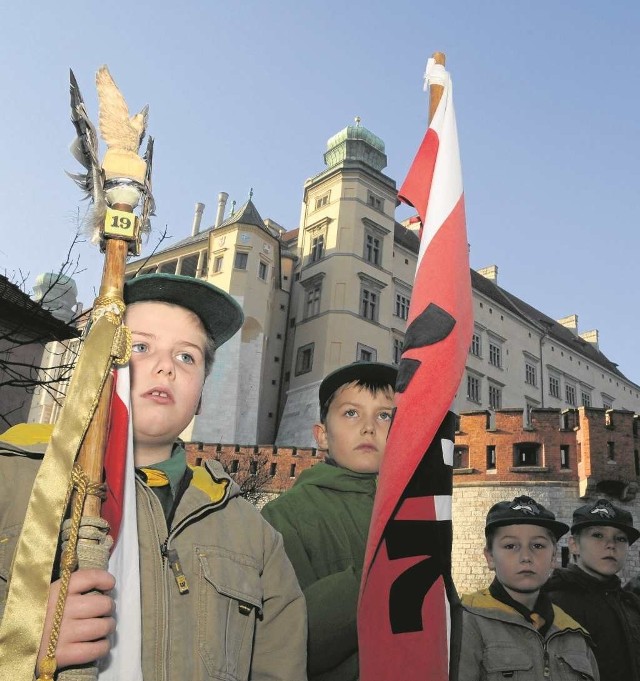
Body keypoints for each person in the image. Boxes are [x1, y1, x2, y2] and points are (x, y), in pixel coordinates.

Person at [0, 273, 307, 681]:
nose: (165, 366)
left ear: (200, 395)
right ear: (98, 366)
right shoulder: (11, 478)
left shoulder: (252, 535)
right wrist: (19, 645)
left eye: (187, 357)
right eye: (140, 347)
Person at [261, 361, 397, 681]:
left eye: (384, 415)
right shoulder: (283, 517)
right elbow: (291, 639)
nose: (369, 427)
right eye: (351, 413)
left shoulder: (415, 511)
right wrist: (385, 570)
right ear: (322, 436)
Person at [458, 495, 600, 681]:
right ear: (490, 557)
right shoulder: (464, 622)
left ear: (553, 558)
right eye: (510, 546)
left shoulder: (573, 634)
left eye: (538, 545)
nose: (526, 556)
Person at [545, 498, 640, 681]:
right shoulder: (550, 604)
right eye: (597, 535)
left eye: (620, 538)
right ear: (574, 545)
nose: (611, 544)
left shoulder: (631, 605)